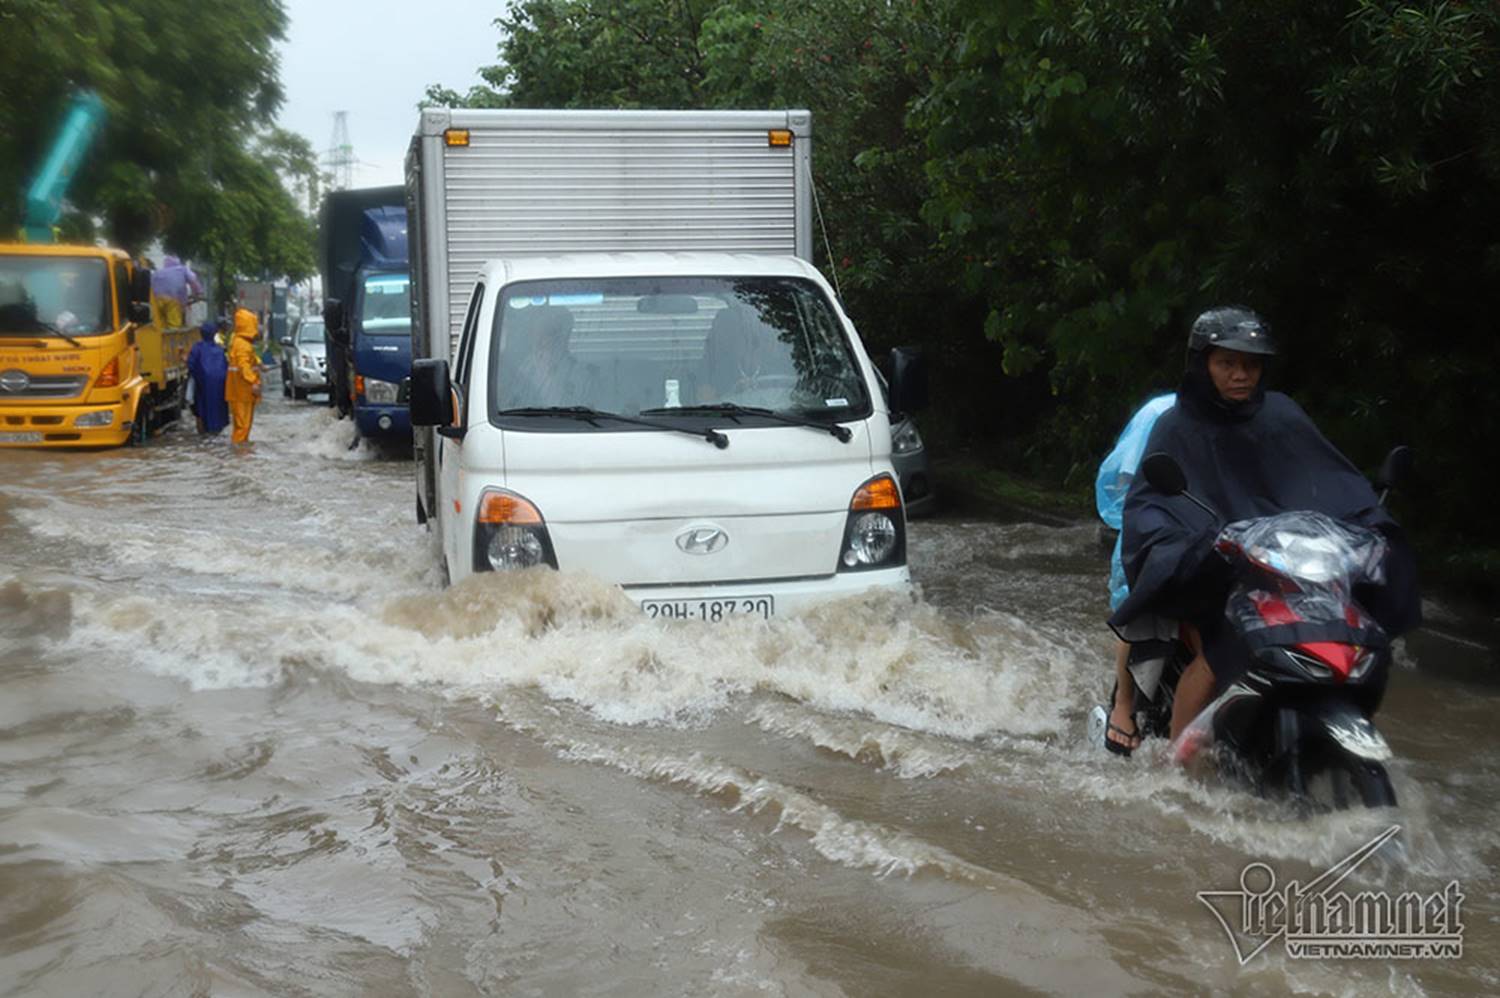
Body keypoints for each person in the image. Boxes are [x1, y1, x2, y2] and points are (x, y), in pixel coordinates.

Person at [1110, 306, 1420, 742]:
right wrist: (1189, 545)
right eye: (1228, 364)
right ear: (1203, 364)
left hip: (1290, 575)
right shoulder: (1175, 427)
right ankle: (1172, 771)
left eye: (1251, 364)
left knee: (1358, 634)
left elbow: (1330, 481)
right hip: (1216, 577)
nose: (1241, 375)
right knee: (1217, 655)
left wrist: (1369, 519)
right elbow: (1151, 508)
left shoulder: (1283, 416)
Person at [1095, 391, 1176, 754]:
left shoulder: (1253, 418)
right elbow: (1130, 482)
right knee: (1136, 603)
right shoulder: (1160, 413)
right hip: (1158, 529)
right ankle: (1123, 705)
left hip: (1222, 532)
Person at [506, 306, 598, 407]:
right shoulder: (522, 369)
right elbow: (511, 406)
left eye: (547, 334)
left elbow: (563, 413)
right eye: (536, 333)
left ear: (564, 337)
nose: (540, 340)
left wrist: (549, 375)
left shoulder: (581, 375)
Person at [224, 308, 263, 444]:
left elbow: (247, 359)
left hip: (239, 392)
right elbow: (244, 366)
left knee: (241, 425)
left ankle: (240, 452)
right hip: (242, 392)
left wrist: (258, 363)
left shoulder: (238, 342)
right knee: (243, 427)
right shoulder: (243, 345)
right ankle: (241, 455)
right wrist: (253, 382)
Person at [187, 320, 229, 435]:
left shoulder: (197, 348)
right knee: (219, 408)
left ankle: (203, 437)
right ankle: (216, 432)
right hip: (219, 386)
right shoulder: (220, 350)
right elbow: (226, 366)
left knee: (199, 410)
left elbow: (191, 365)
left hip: (202, 386)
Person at [150, 255, 203, 331]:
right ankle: (172, 340)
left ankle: (159, 341)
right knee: (174, 325)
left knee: (160, 325)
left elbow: (151, 285)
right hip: (173, 300)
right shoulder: (182, 269)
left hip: (157, 300)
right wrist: (198, 293)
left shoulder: (157, 272)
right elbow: (193, 280)